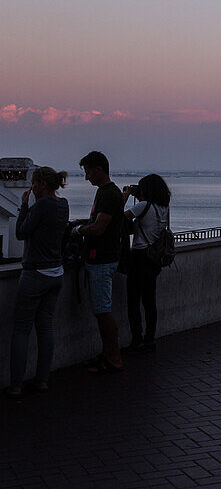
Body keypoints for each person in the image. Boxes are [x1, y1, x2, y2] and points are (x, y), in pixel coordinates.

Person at [5, 166, 69, 399]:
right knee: (45, 327)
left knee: (21, 329)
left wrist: (24, 206)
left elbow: (21, 232)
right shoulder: (63, 205)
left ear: (41, 183)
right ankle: (42, 380)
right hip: (56, 272)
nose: (31, 187)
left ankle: (15, 385)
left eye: (33, 182)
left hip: (35, 274)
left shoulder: (41, 205)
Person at [73, 151, 125, 373]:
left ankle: (114, 358)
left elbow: (99, 227)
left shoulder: (109, 194)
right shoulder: (107, 193)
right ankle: (107, 354)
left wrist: (78, 230)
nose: (86, 178)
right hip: (102, 259)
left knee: (103, 310)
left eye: (88, 172)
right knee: (101, 309)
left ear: (98, 169)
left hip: (102, 260)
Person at [122, 174, 172, 353]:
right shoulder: (163, 207)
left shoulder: (143, 205)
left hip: (139, 256)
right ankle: (150, 339)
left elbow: (119, 218)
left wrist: (125, 197)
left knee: (134, 301)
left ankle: (137, 340)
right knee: (150, 301)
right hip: (154, 258)